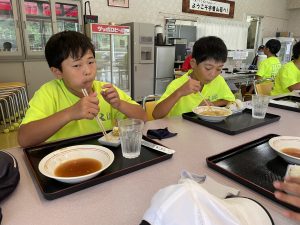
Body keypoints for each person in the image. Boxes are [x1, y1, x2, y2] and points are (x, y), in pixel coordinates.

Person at [18, 31, 146, 147]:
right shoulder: (48, 93)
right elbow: (24, 139)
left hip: (104, 155)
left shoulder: (104, 90)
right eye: (77, 65)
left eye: (90, 62)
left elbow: (144, 118)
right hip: (64, 159)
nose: (88, 71)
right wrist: (70, 113)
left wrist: (119, 104)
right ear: (57, 72)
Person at [152, 36, 235, 119]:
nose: (213, 74)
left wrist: (213, 105)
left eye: (219, 69)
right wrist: (179, 92)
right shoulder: (177, 84)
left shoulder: (218, 80)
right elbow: (156, 114)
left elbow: (230, 100)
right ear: (193, 63)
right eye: (208, 68)